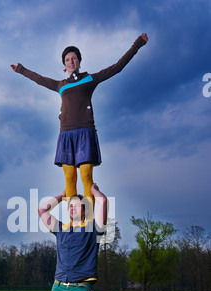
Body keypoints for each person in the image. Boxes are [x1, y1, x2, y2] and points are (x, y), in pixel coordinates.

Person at [11, 33, 148, 208]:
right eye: (67, 59)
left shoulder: (90, 79)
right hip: (66, 133)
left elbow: (117, 67)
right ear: (64, 65)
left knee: (86, 176)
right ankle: (73, 220)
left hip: (85, 132)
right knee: (69, 178)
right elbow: (39, 79)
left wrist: (137, 45)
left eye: (74, 58)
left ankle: (88, 220)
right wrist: (21, 70)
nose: (71, 61)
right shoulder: (60, 85)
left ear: (79, 61)